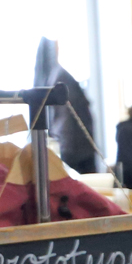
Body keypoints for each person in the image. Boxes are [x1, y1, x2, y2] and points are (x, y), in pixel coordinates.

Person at [34, 37, 99, 174]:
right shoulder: (59, 78)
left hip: (75, 155)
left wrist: (64, 157)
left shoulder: (59, 79)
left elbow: (66, 122)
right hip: (75, 151)